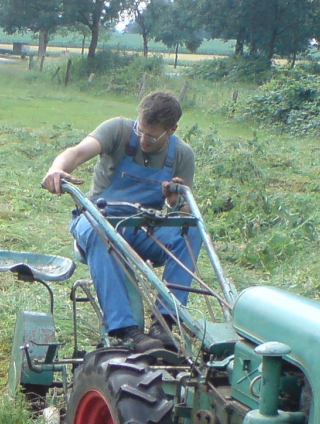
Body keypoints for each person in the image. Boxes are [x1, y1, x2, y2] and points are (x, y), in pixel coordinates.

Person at [42, 90, 202, 353]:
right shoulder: (117, 130)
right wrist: (57, 169)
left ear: (171, 130)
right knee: (98, 231)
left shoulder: (182, 155)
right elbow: (77, 152)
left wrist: (174, 201)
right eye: (140, 130)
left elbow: (182, 212)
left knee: (190, 231)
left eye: (151, 136)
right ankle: (125, 330)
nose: (142, 139)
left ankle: (165, 321)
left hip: (143, 227)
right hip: (97, 218)